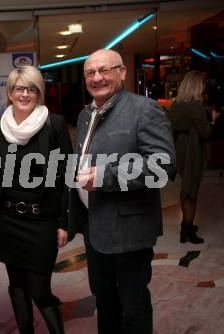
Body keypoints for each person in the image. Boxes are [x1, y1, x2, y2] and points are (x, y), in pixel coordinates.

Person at [69, 49, 175, 334]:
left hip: (129, 230)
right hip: (95, 228)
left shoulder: (144, 109)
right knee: (105, 301)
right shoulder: (84, 114)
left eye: (105, 70)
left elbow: (162, 167)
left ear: (123, 72)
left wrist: (105, 176)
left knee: (133, 306)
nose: (97, 77)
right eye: (90, 73)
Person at [0, 65, 73, 334]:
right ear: (10, 93)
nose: (25, 94)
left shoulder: (55, 124)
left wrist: (64, 222)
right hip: (8, 219)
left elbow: (65, 177)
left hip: (42, 220)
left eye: (31, 89)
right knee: (16, 285)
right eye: (19, 88)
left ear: (39, 93)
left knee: (39, 288)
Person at [168, 70, 219, 244]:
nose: (204, 87)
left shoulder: (176, 104)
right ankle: (188, 228)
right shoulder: (196, 106)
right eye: (203, 84)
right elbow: (206, 133)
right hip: (193, 150)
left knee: (185, 188)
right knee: (192, 191)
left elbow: (171, 128)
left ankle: (186, 225)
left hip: (180, 149)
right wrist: (213, 120)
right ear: (197, 86)